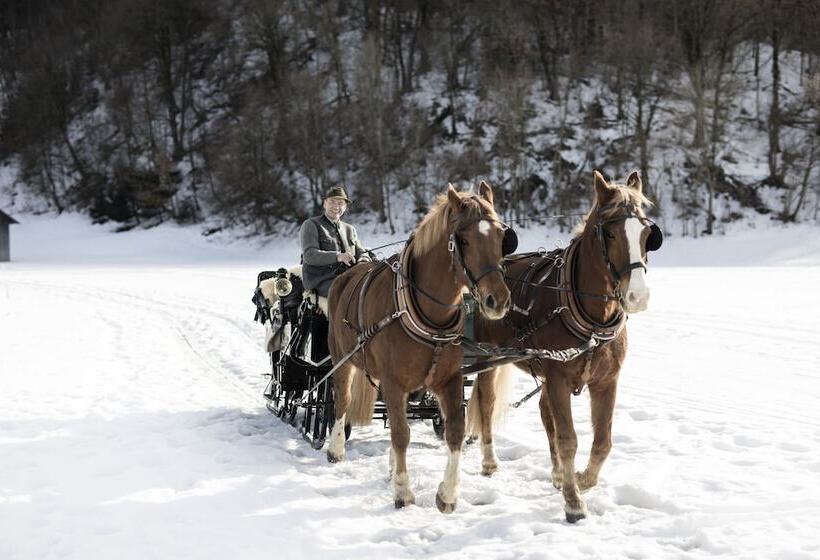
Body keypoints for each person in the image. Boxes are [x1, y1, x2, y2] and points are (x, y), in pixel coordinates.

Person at [299, 186, 371, 298]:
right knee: (347, 291)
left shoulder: (350, 229)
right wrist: (338, 256)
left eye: (340, 203)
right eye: (332, 201)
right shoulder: (311, 224)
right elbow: (309, 255)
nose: (336, 206)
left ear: (345, 206)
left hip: (348, 277)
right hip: (321, 280)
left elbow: (361, 251)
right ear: (324, 203)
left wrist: (363, 259)